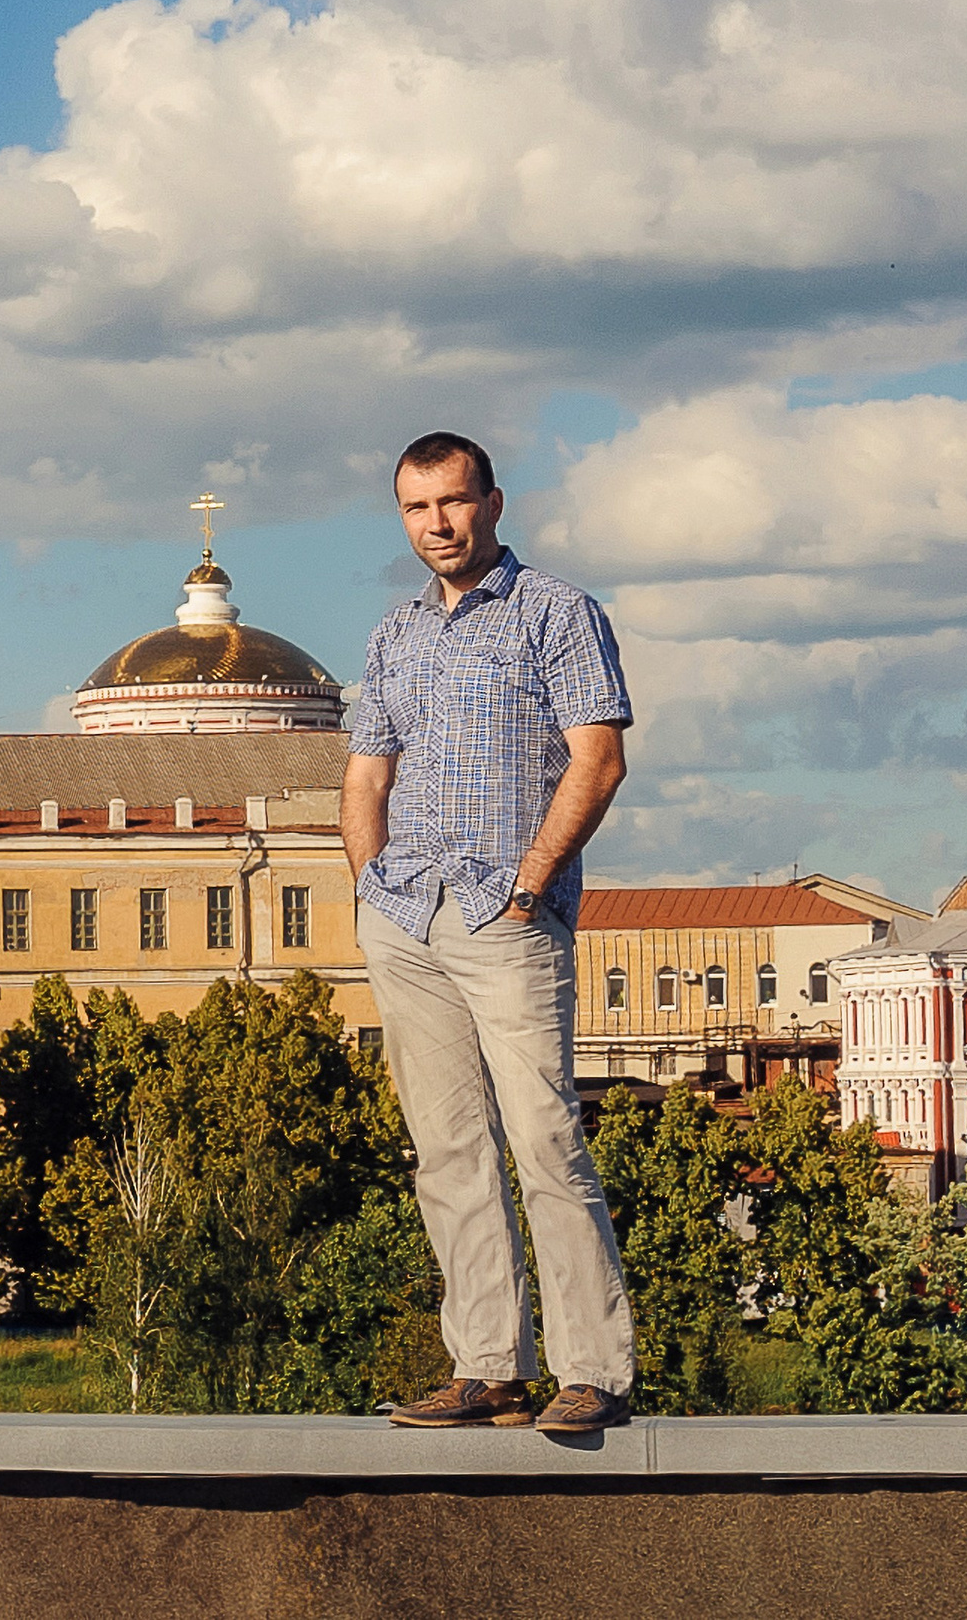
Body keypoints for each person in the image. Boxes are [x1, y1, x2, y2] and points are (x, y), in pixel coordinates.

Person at [344, 430, 637, 1435]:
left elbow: (598, 760)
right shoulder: (395, 633)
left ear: (493, 504)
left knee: (546, 1138)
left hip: (505, 918)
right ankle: (487, 1368)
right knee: (446, 1150)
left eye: (454, 501)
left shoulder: (555, 612)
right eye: (417, 507)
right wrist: (370, 887)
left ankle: (592, 1370)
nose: (438, 523)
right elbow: (366, 773)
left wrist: (531, 883)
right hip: (405, 916)